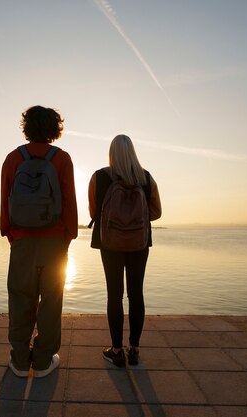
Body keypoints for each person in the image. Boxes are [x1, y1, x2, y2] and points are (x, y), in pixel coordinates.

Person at [0, 105, 78, 377]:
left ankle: (20, 361)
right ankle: (44, 360)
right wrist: (68, 236)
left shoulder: (13, 158)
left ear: (27, 126)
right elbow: (69, 201)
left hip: (22, 240)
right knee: (51, 300)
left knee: (20, 298)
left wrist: (11, 234)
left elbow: (5, 201)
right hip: (55, 240)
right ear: (54, 128)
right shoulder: (62, 159)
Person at [88, 134, 162, 367]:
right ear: (133, 152)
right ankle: (135, 349)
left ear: (111, 152)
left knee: (114, 294)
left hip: (109, 243)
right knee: (136, 294)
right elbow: (156, 212)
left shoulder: (100, 177)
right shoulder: (146, 178)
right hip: (139, 242)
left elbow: (93, 212)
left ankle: (117, 351)